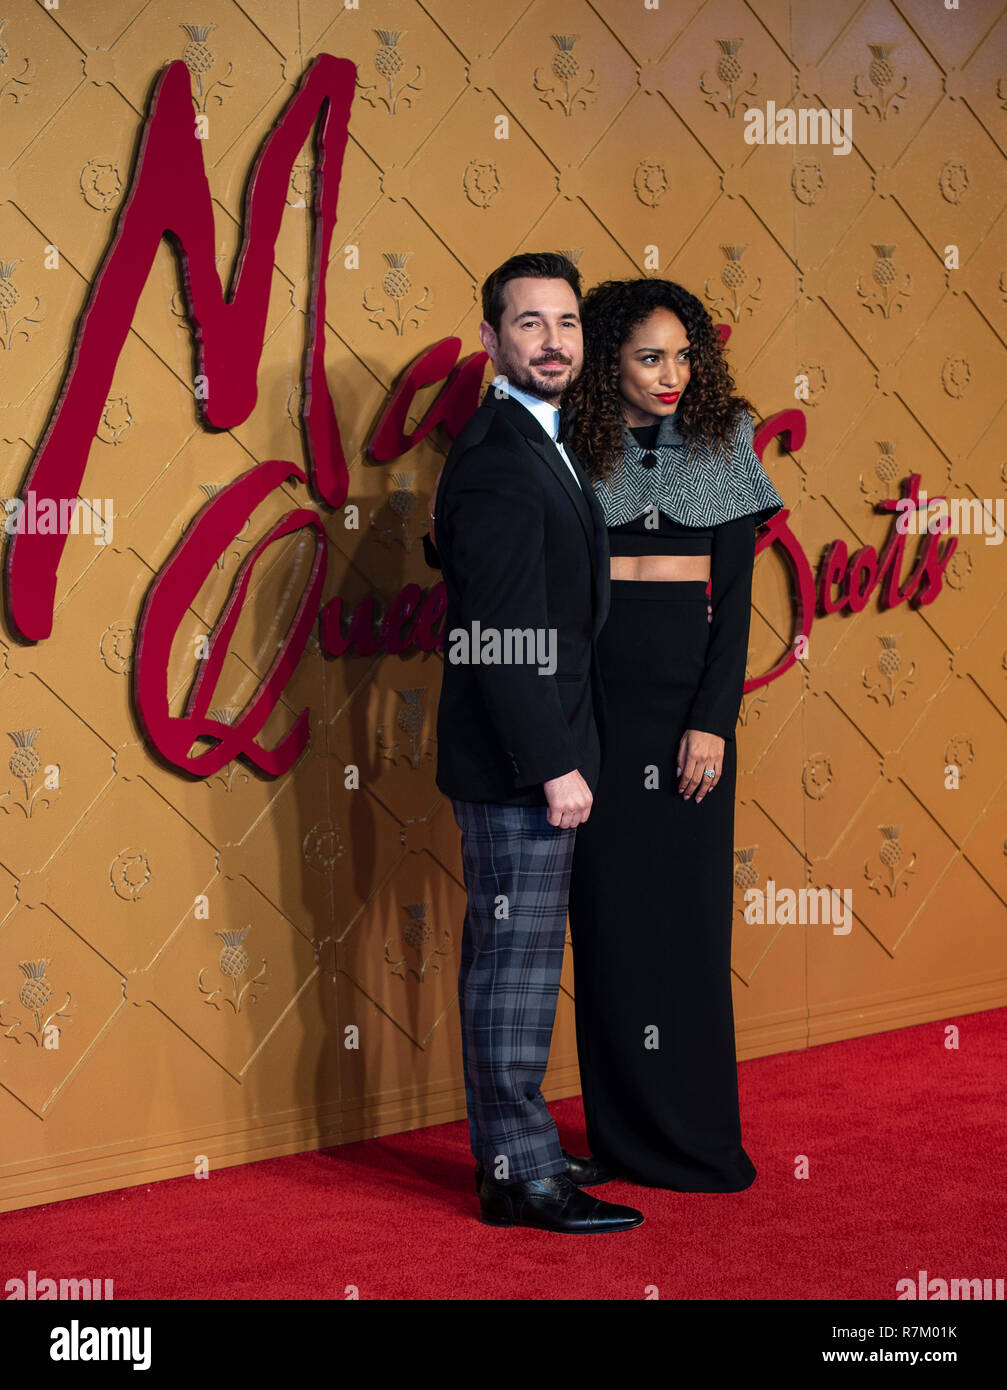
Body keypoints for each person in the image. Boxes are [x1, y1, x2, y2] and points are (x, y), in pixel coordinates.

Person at [428, 252, 643, 1233]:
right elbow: (498, 634)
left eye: (565, 323)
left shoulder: (534, 438)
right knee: (511, 967)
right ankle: (517, 1176)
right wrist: (551, 764)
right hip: (520, 762)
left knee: (516, 959)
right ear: (492, 340)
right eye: (529, 324)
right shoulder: (502, 458)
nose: (552, 340)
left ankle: (522, 1145)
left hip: (534, 749)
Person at [563, 276, 783, 1193]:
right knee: (609, 927)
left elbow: (730, 609)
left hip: (684, 722)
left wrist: (710, 724)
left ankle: (695, 1140)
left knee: (687, 929)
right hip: (594, 714)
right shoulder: (570, 442)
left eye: (683, 356)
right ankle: (620, 1142)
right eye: (649, 356)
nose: (670, 375)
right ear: (607, 358)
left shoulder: (722, 439)